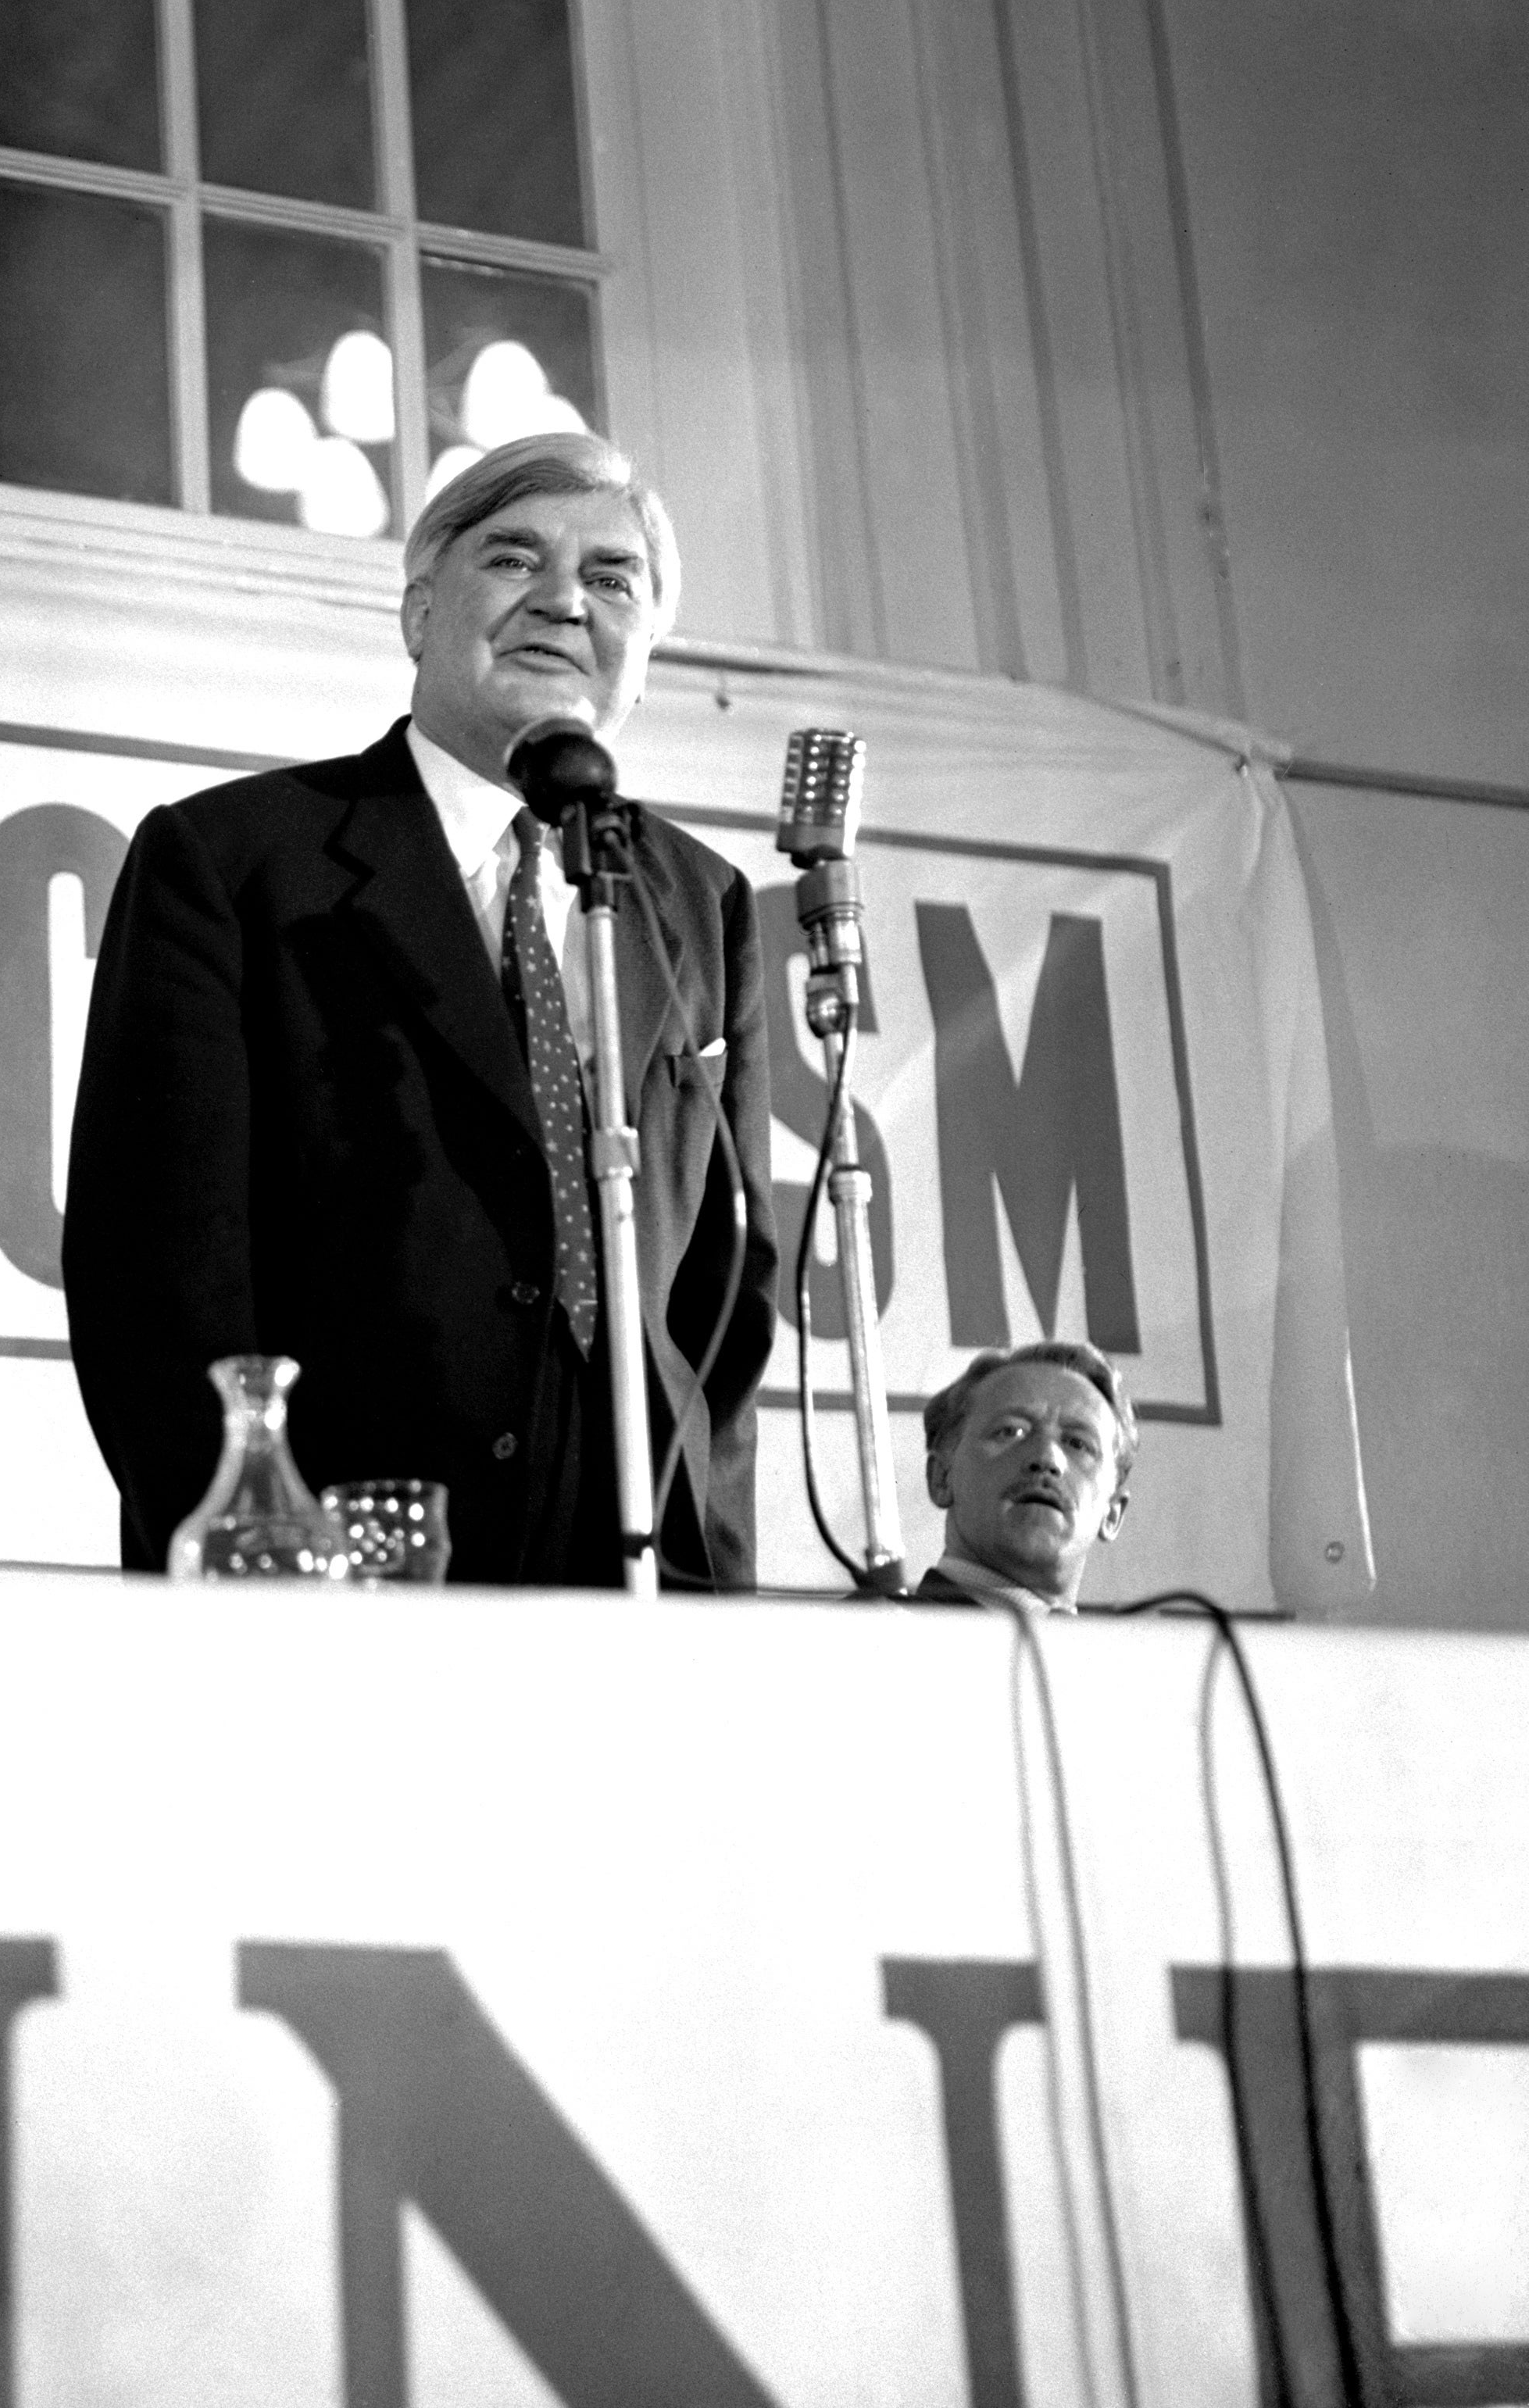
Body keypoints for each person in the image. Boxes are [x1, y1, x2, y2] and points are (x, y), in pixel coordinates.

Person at [62, 431, 778, 1584]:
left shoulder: (698, 903)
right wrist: (250, 1550)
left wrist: (709, 1578)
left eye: (609, 578)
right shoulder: (235, 862)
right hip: (335, 1571)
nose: (560, 602)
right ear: (416, 613)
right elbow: (155, 1275)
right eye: (512, 559)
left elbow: (721, 1307)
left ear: (643, 647)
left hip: (630, 1589)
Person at [910, 1341, 1135, 1612]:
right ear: (942, 1478)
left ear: (1112, 1514)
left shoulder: (1140, 1653)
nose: (1048, 1458)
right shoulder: (859, 1639)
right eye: (1011, 1431)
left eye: (1078, 1444)